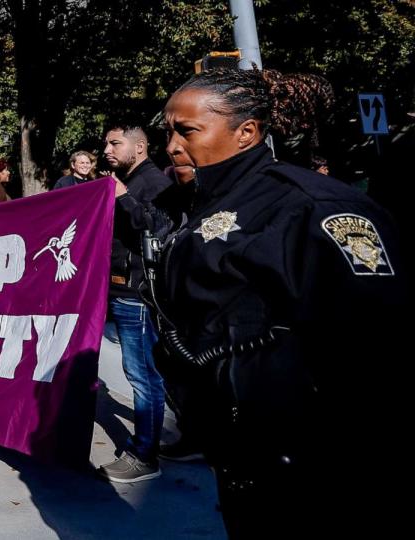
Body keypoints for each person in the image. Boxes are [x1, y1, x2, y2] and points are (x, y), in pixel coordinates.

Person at [145, 68, 405, 537]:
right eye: (168, 132)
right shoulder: (198, 202)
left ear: (246, 133)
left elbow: (379, 340)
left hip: (316, 465)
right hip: (244, 453)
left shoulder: (311, 206)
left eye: (187, 131)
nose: (172, 146)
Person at [90, 125, 173, 483]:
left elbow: (157, 227)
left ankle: (144, 455)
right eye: (106, 143)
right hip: (120, 289)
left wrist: (122, 196)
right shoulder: (127, 180)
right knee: (149, 373)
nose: (106, 149)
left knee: (142, 376)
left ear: (139, 147)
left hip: (136, 294)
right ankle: (170, 440)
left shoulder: (153, 182)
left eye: (114, 143)